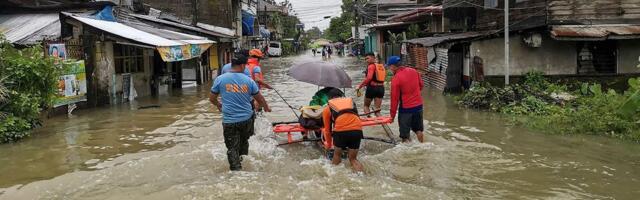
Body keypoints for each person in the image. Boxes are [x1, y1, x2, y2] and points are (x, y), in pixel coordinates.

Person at [210, 53, 271, 171]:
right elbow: (260, 99)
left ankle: (236, 171)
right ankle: (244, 162)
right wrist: (267, 108)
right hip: (246, 120)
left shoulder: (220, 79)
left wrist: (218, 105)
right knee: (244, 142)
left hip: (229, 121)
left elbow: (212, 98)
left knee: (232, 148)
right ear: (243, 66)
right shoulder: (249, 81)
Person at [321, 89, 364, 172]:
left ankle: (333, 175)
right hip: (357, 130)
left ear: (329, 98)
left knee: (337, 155)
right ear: (341, 96)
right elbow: (356, 117)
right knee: (353, 159)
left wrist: (329, 145)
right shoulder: (352, 103)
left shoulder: (327, 108)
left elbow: (327, 130)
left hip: (340, 131)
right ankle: (362, 176)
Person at [387, 56, 425, 143]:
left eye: (389, 67)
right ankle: (422, 145)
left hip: (406, 110)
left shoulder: (396, 79)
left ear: (393, 66)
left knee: (404, 136)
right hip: (419, 106)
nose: (389, 69)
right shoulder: (414, 71)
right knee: (418, 130)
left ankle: (406, 153)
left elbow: (394, 100)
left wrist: (392, 116)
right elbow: (421, 85)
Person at [357, 53, 386, 117]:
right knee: (377, 110)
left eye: (368, 58)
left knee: (366, 106)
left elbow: (369, 78)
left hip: (372, 88)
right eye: (365, 59)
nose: (366, 60)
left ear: (373, 58)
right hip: (381, 88)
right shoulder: (380, 66)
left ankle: (369, 119)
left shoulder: (371, 66)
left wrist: (360, 86)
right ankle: (381, 122)